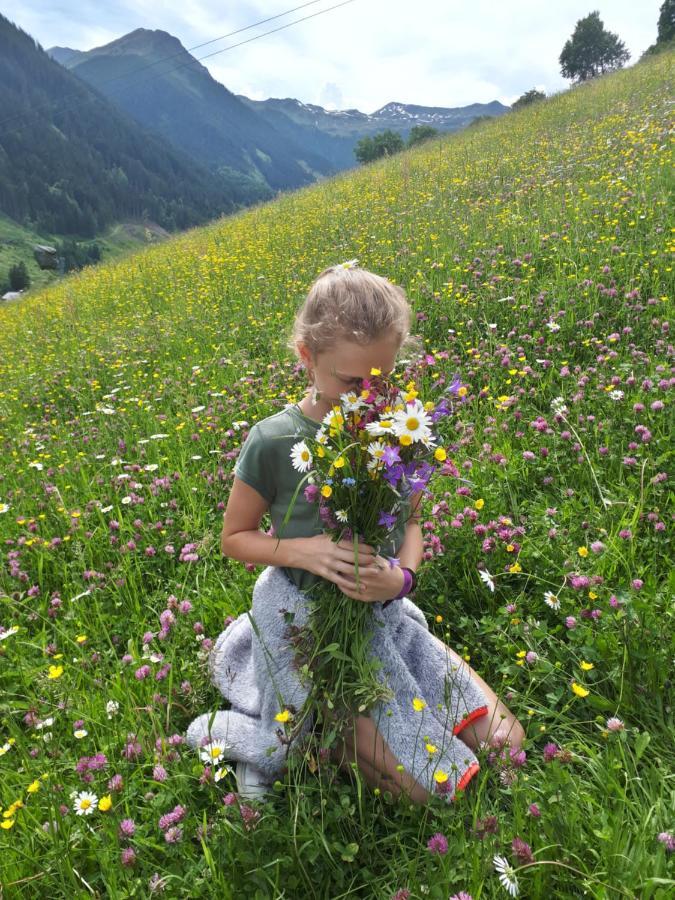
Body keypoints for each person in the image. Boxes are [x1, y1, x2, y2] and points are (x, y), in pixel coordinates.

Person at [186, 261, 525, 803]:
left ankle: (354, 726)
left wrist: (404, 580)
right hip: (310, 628)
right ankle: (313, 728)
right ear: (306, 357)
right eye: (351, 382)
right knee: (430, 791)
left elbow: (412, 521)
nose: (369, 396)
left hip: (386, 616)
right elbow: (234, 538)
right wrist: (308, 551)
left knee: (510, 748)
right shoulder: (273, 441)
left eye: (382, 379)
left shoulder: (398, 428)